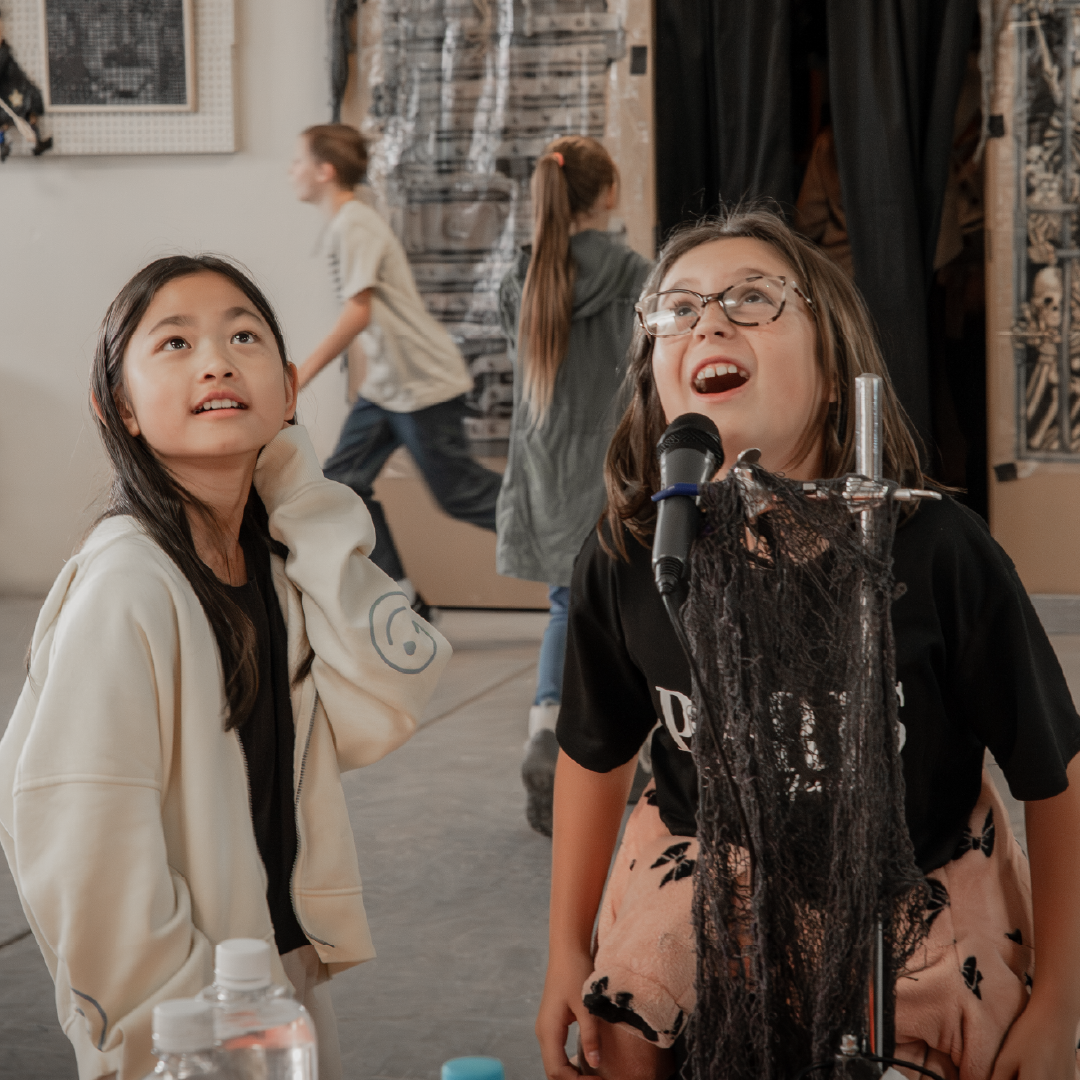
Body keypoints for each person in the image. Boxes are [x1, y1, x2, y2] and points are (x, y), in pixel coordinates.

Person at [538, 208, 1080, 1080]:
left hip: (911, 866)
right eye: (676, 309)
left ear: (835, 372)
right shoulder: (632, 557)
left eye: (753, 299)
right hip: (707, 859)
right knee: (627, 1033)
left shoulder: (937, 550)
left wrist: (1061, 998)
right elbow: (593, 754)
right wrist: (567, 946)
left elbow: (1057, 775)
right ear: (658, 385)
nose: (709, 320)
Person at [0, 255, 450, 1080]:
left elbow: (387, 696)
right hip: (188, 1018)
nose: (216, 358)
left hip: (275, 974)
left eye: (244, 335)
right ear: (119, 408)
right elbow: (81, 843)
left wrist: (301, 496)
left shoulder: (273, 564)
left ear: (286, 390)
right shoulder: (129, 584)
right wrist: (185, 1025)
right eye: (173, 342)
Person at [497, 135, 651, 837]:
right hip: (614, 465)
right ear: (609, 194)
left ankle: (546, 728)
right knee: (632, 604)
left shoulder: (521, 279)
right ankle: (632, 749)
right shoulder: (636, 276)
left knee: (568, 603)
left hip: (546, 468)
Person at [290, 123, 502, 614]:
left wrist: (298, 375)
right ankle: (402, 596)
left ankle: (574, 539)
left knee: (461, 494)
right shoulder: (349, 219)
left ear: (324, 171)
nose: (291, 171)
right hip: (390, 387)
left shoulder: (354, 224)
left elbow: (358, 310)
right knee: (341, 486)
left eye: (299, 161)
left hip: (422, 382)